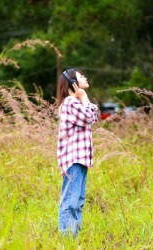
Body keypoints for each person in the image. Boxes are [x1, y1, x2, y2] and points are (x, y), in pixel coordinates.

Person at [56, 68, 98, 237]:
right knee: (70, 201)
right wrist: (83, 98)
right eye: (81, 76)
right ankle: (67, 239)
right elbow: (89, 117)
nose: (86, 77)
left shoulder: (77, 103)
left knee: (78, 200)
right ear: (72, 83)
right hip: (73, 159)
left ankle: (74, 237)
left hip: (80, 160)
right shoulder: (70, 103)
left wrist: (84, 99)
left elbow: (93, 116)